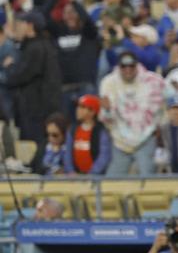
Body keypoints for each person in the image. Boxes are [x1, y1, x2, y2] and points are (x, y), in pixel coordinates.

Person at [4, 11, 61, 169]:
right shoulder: (40, 45)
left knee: (35, 150)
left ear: (30, 26)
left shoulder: (36, 48)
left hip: (36, 110)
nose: (16, 28)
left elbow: (19, 76)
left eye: (19, 24)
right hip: (37, 108)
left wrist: (10, 67)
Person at [99, 51, 165, 176]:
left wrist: (161, 125)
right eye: (124, 66)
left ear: (137, 65)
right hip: (120, 139)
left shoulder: (153, 81)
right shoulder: (108, 83)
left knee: (147, 178)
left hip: (146, 137)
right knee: (112, 181)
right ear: (119, 67)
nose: (128, 70)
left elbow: (167, 103)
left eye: (131, 66)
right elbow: (106, 119)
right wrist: (107, 110)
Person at [62, 94, 110, 175]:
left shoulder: (100, 132)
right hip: (75, 176)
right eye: (78, 107)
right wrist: (71, 171)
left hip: (95, 177)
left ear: (92, 112)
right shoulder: (72, 130)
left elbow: (104, 156)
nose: (78, 110)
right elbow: (67, 153)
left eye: (82, 107)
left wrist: (92, 173)